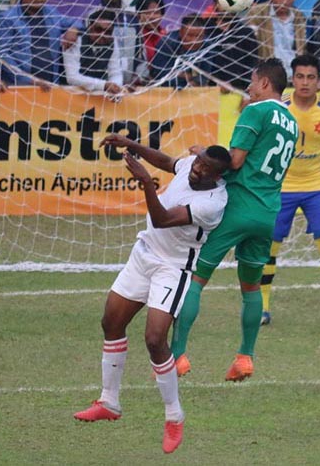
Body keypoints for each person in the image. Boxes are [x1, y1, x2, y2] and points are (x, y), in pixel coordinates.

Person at [73, 137, 232, 455]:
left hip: (172, 268)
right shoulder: (190, 165)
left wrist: (146, 181)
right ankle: (109, 401)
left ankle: (174, 417)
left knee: (155, 338)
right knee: (111, 322)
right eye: (198, 163)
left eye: (205, 169)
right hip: (144, 254)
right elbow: (165, 161)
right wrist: (130, 143)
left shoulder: (213, 204)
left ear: (217, 176)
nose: (196, 170)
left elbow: (161, 219)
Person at [169, 58, 298, 382]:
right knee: (251, 286)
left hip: (238, 205)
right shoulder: (292, 122)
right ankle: (245, 357)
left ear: (266, 83)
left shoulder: (255, 111)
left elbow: (236, 161)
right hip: (269, 211)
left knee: (196, 277)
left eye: (252, 82)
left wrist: (204, 154)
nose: (249, 88)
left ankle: (177, 356)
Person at [259, 54, 320, 328]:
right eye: (300, 76)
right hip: (281, 187)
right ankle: (263, 307)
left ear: (319, 81)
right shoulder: (278, 108)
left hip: (316, 188)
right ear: (292, 79)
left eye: (311, 77)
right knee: (270, 246)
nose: (305, 82)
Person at [0, 0, 80, 87]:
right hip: (18, 88)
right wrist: (29, 80)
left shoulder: (52, 13)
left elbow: (79, 22)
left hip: (50, 86)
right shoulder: (7, 18)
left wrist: (73, 29)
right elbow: (2, 56)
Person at [247, 0, 307, 74]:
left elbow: (302, 49)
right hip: (268, 74)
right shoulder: (257, 13)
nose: (284, 1)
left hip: (293, 74)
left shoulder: (299, 16)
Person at [63, 9, 124, 94]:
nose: (102, 34)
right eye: (98, 29)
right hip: (69, 94)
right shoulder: (74, 40)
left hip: (97, 94)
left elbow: (115, 72)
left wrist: (115, 86)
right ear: (90, 27)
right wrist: (104, 85)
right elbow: (72, 77)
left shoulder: (112, 43)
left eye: (108, 32)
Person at [95, 0, 138, 84]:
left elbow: (140, 53)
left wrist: (139, 76)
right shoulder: (92, 16)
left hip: (129, 85)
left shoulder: (132, 18)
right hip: (100, 85)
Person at [204, 6, 260, 92]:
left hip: (241, 92)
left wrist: (246, 89)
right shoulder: (205, 30)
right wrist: (217, 82)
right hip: (210, 91)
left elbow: (252, 64)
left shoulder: (246, 32)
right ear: (215, 4)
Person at [150, 14, 210, 89]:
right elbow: (160, 75)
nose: (194, 41)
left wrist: (192, 79)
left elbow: (204, 76)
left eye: (199, 36)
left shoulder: (208, 45)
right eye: (190, 35)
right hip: (164, 90)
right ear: (181, 32)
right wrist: (187, 76)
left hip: (193, 90)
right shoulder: (167, 43)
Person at [129, 0, 167, 86]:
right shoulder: (132, 37)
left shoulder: (167, 37)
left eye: (157, 12)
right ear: (138, 14)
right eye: (147, 12)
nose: (152, 17)